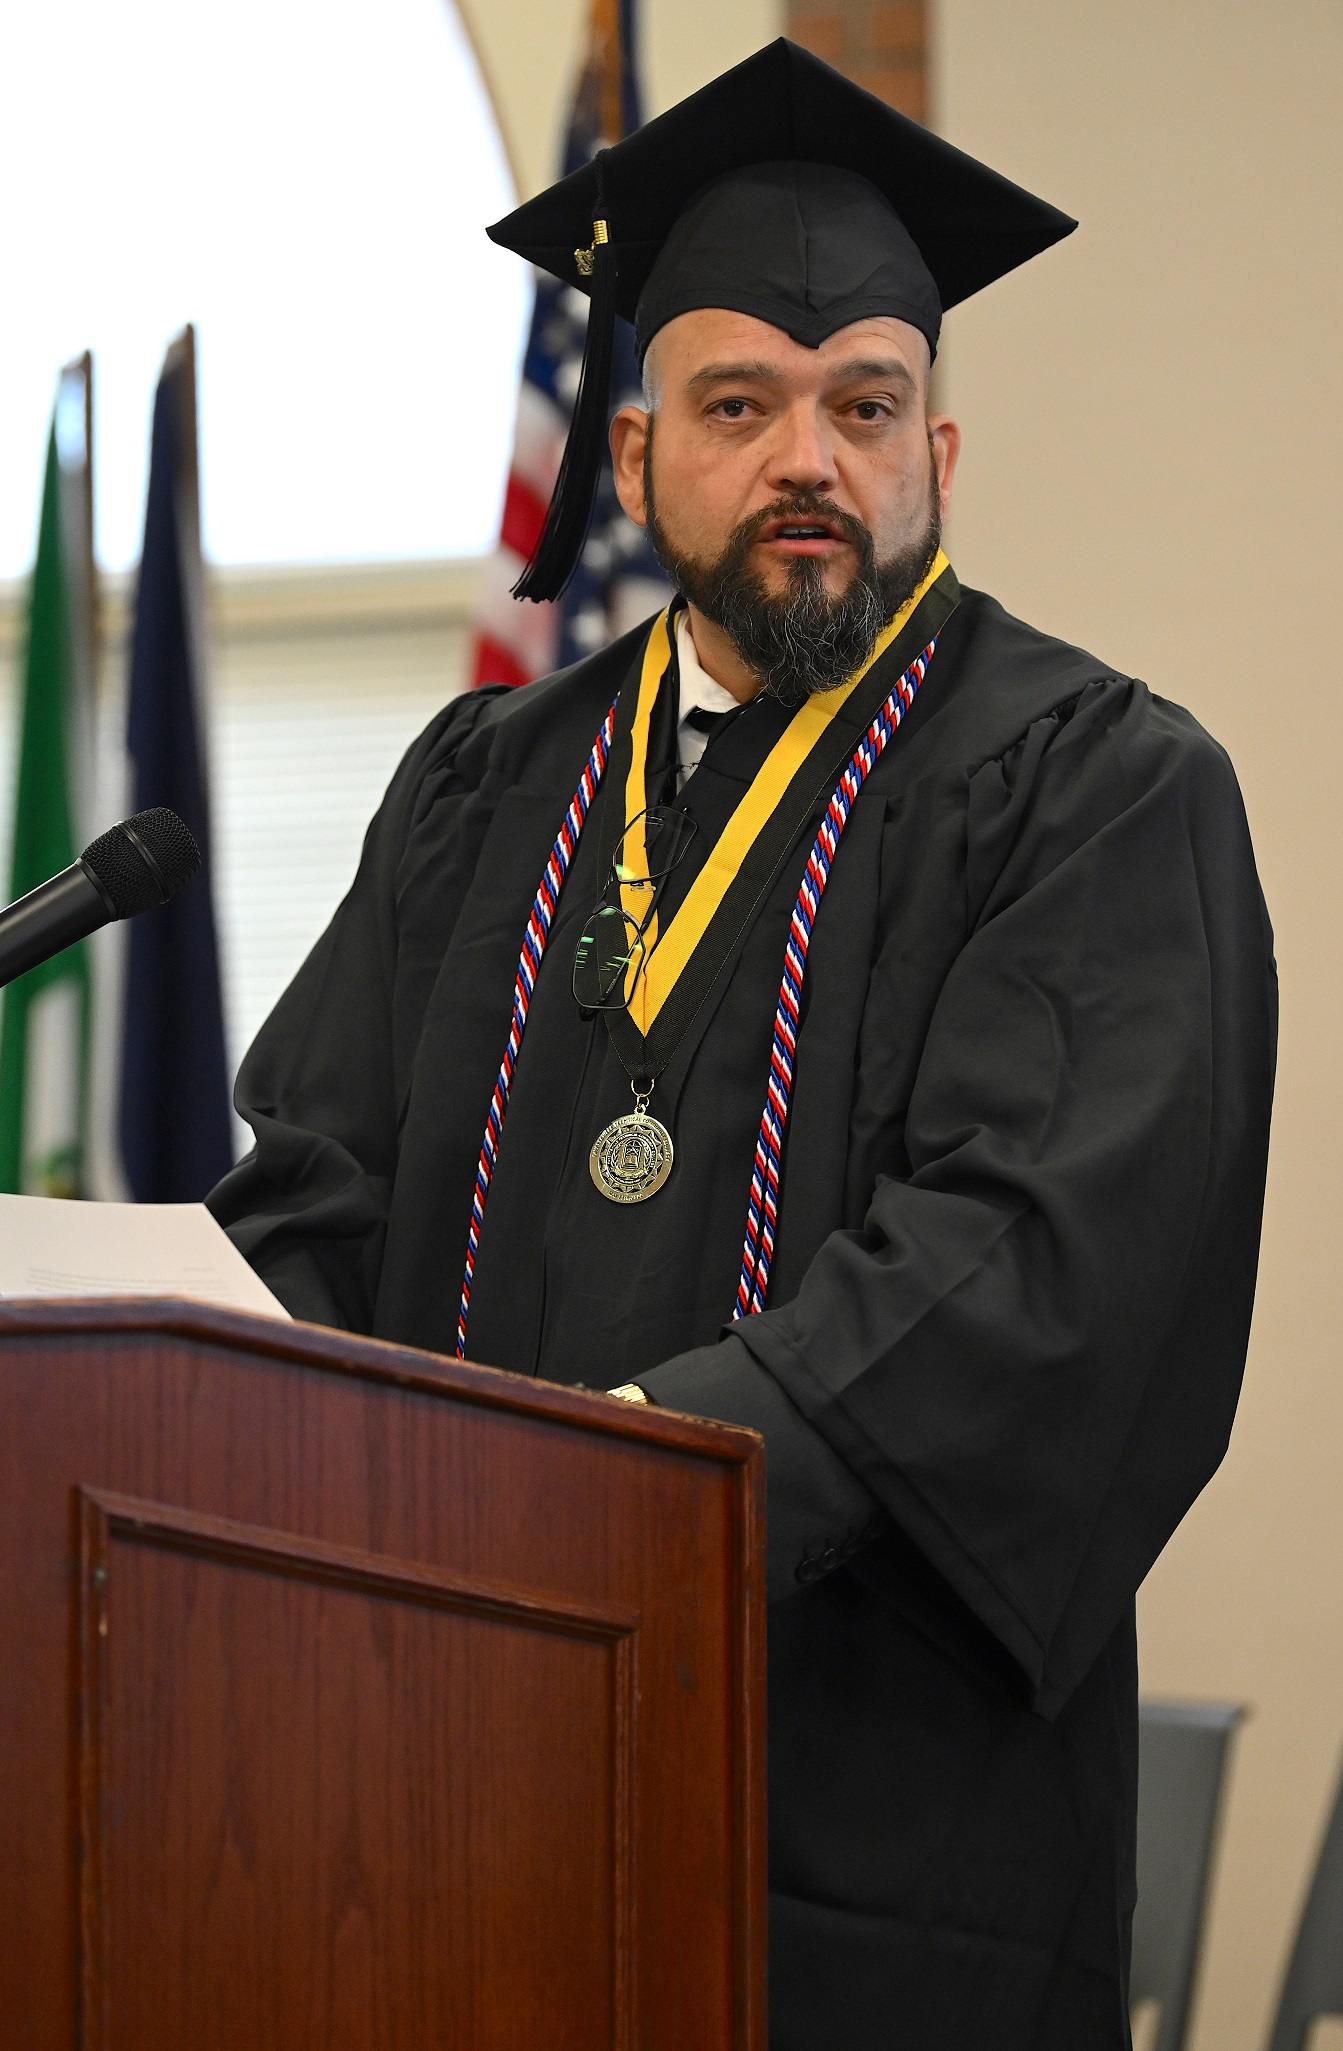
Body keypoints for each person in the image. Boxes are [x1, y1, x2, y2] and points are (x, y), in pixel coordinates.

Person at [210, 40, 1276, 2049]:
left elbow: (1039, 1268)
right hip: (455, 1786)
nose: (812, 457)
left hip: (875, 1852)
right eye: (740, 405)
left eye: (867, 405)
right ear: (633, 468)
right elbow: (320, 1196)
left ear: (940, 459)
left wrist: (623, 1494)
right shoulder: (488, 784)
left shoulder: (1092, 788)